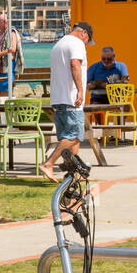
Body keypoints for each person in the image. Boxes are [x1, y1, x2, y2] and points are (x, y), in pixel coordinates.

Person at [39, 21, 94, 183]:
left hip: (58, 98)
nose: (86, 44)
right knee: (75, 136)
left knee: (66, 139)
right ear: (83, 33)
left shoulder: (58, 45)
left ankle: (73, 173)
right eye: (87, 40)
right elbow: (74, 64)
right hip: (71, 98)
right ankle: (48, 164)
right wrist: (81, 90)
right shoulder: (76, 43)